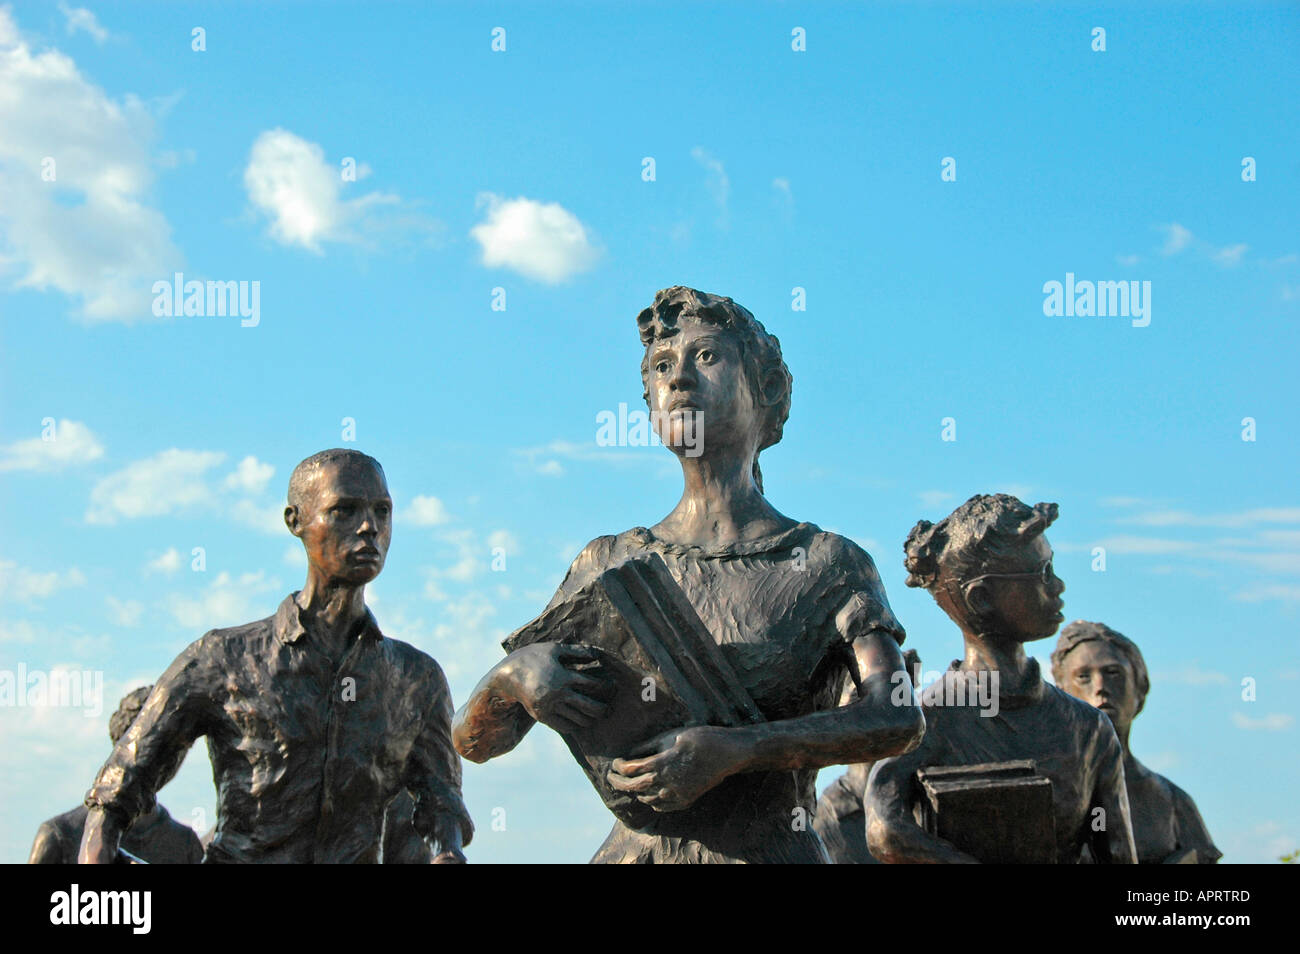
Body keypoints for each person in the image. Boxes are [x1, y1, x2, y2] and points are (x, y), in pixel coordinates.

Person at [453, 286, 923, 863]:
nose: (678, 379)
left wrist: (742, 749)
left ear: (768, 390)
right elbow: (475, 744)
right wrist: (509, 678)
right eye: (661, 367)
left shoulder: (827, 562)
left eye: (706, 357)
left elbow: (896, 716)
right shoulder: (609, 564)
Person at [79, 449, 473, 864]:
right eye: (345, 510)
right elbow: (118, 788)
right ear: (295, 521)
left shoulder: (416, 678)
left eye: (382, 511)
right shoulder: (222, 658)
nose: (369, 527)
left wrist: (446, 851)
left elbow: (441, 801)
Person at [866, 493, 1137, 863]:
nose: (1058, 586)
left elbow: (1117, 854)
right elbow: (884, 830)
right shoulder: (925, 721)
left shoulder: (1088, 729)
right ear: (982, 599)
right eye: (1042, 573)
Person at [1052, 620, 1221, 863]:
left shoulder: (1173, 802)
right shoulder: (1047, 792)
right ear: (1062, 692)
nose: (1100, 687)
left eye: (1112, 673)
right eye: (1083, 676)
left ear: (1140, 688)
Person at [29, 686, 202, 864]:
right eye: (158, 747)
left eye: (180, 747)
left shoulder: (186, 843)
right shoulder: (59, 835)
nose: (170, 759)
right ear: (122, 747)